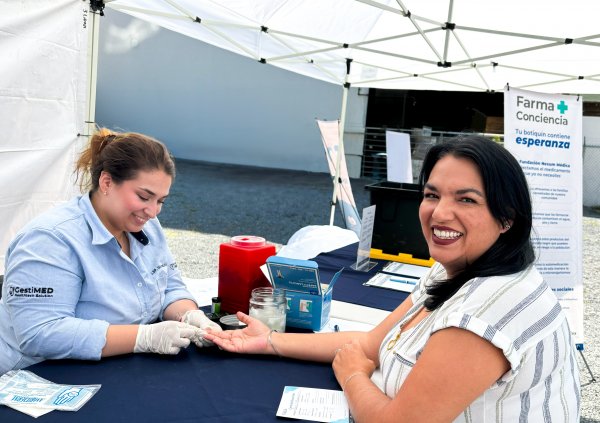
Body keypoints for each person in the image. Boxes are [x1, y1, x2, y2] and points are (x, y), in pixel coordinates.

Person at [205, 135, 581, 422]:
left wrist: (353, 376)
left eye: (466, 200)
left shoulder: (487, 311)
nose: (440, 213)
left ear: (507, 217)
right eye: (432, 194)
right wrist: (270, 341)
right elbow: (371, 344)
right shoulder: (458, 270)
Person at [0, 128, 220, 375]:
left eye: (160, 201)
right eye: (143, 196)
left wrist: (189, 315)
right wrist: (143, 337)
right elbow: (40, 334)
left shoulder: (147, 225)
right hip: (41, 374)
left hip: (115, 366)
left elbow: (169, 285)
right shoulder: (50, 239)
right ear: (106, 183)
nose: (153, 211)